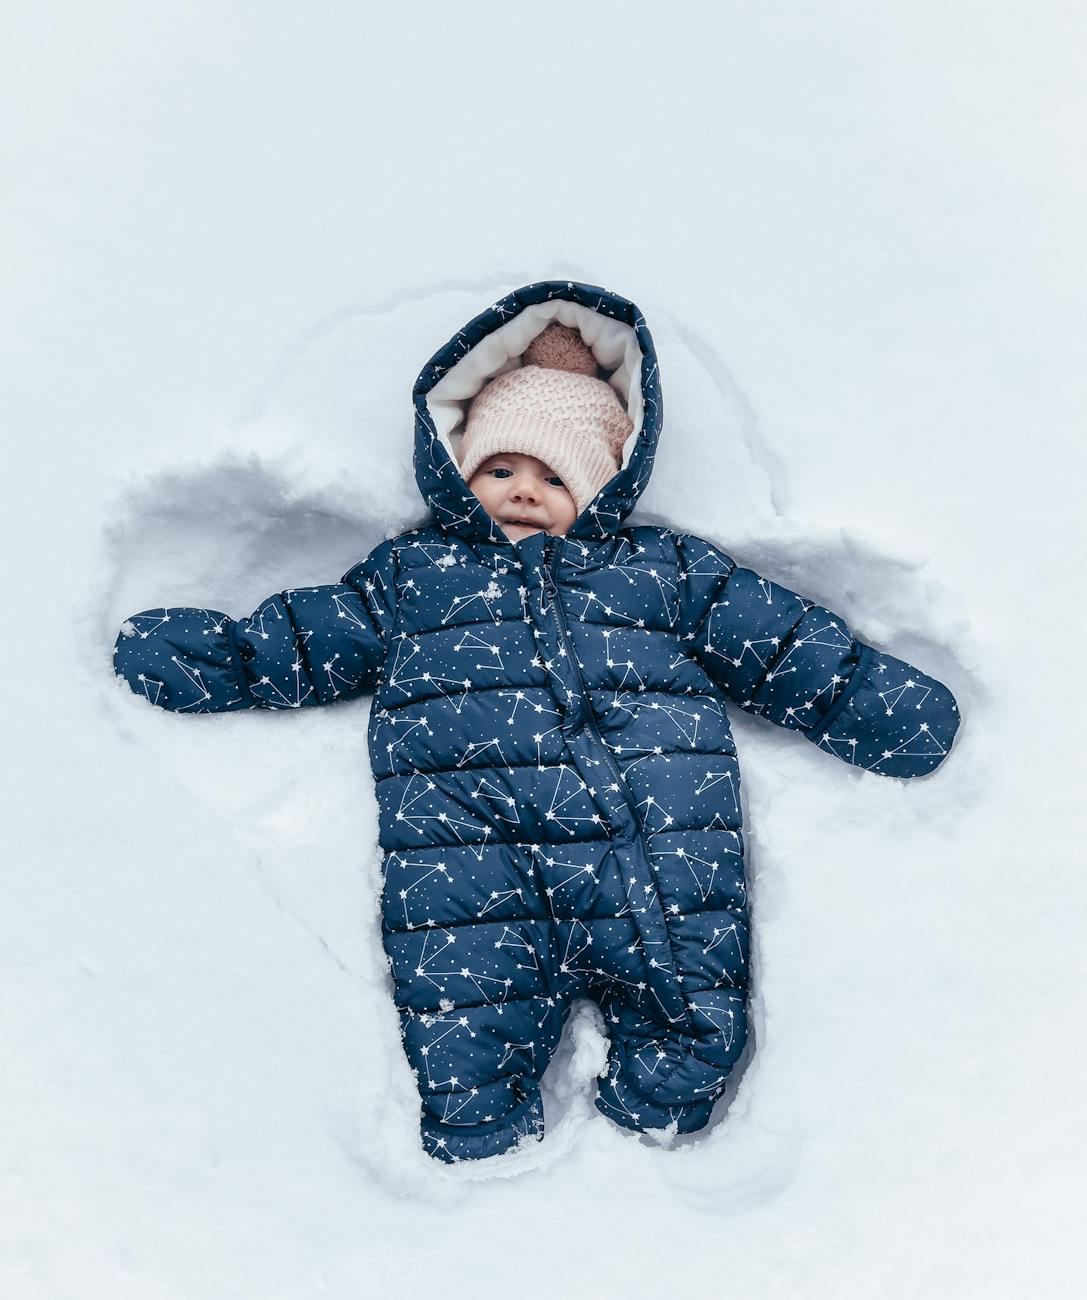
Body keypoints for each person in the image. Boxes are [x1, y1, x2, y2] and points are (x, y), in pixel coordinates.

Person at [113, 281, 961, 1163]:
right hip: (472, 865)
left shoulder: (662, 571)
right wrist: (214, 658)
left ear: (600, 485)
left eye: (554, 475)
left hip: (651, 851)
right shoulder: (416, 578)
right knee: (466, 1025)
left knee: (689, 1004)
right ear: (456, 469)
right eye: (500, 469)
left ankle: (657, 1125)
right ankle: (479, 1144)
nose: (523, 491)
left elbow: (778, 645)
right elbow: (305, 640)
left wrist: (876, 707)